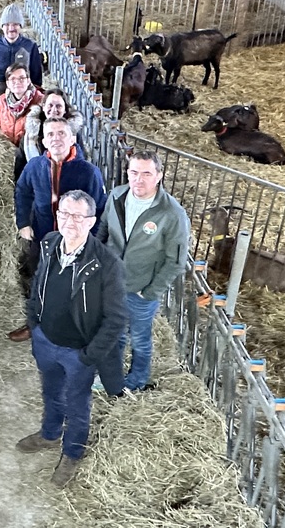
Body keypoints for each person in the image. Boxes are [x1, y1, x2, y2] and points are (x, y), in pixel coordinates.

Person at [16, 190, 126, 489]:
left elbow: (116, 319)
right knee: (51, 391)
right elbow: (37, 285)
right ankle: (50, 434)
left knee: (78, 404)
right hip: (46, 340)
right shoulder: (50, 243)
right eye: (64, 214)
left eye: (78, 216)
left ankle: (73, 453)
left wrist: (89, 355)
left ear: (91, 221)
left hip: (78, 351)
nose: (69, 221)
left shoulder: (107, 263)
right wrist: (35, 324)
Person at [96, 150, 190, 394]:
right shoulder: (117, 196)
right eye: (134, 172)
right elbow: (104, 228)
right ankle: (110, 377)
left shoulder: (172, 213)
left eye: (147, 173)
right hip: (112, 282)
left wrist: (150, 292)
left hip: (141, 288)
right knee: (113, 333)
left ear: (159, 176)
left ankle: (137, 379)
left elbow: (176, 260)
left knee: (140, 339)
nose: (139, 179)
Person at [10, 117, 106, 342]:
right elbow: (22, 191)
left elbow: (99, 208)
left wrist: (90, 241)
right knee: (39, 278)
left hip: (75, 240)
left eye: (62, 133)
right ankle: (35, 324)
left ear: (72, 139)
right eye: (50, 134)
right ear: (43, 141)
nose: (56, 139)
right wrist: (23, 222)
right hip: (43, 235)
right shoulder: (35, 166)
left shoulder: (88, 172)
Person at [0, 3, 43, 95]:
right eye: (7, 24)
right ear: (2, 27)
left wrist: (35, 94)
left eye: (15, 24)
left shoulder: (30, 46)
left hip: (22, 91)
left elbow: (36, 75)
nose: (11, 28)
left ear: (20, 26)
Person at [0, 63, 44, 179]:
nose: (17, 82)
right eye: (13, 79)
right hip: (8, 154)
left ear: (28, 80)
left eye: (22, 78)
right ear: (7, 83)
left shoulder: (40, 101)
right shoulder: (1, 101)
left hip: (30, 154)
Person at [22, 88, 87, 166]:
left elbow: (82, 162)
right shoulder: (31, 135)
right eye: (50, 105)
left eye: (58, 106)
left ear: (65, 110)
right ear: (43, 107)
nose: (54, 110)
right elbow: (21, 165)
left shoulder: (73, 134)